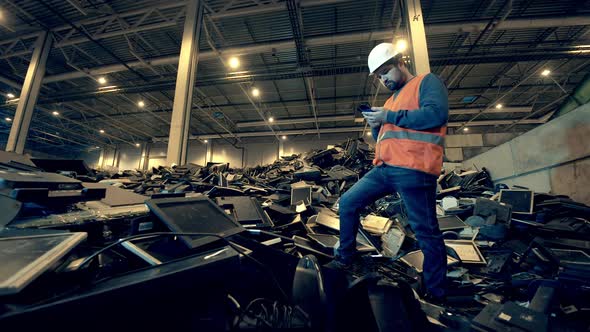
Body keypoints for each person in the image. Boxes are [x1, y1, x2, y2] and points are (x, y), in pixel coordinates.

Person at [331, 42, 449, 301]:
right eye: (379, 76)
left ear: (400, 63)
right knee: (348, 202)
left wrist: (389, 116)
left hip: (414, 169)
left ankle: (437, 293)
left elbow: (436, 115)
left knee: (425, 231)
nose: (383, 79)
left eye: (386, 72)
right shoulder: (389, 101)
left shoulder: (426, 83)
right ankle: (346, 259)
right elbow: (385, 136)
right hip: (384, 168)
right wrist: (376, 124)